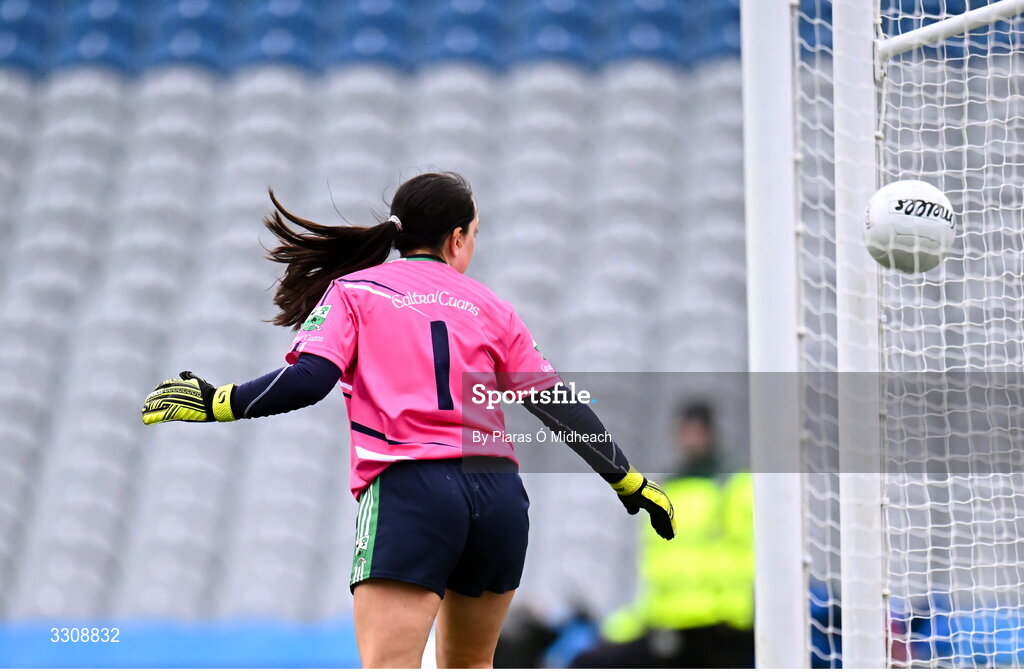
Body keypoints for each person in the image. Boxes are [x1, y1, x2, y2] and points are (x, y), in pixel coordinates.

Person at [139, 172, 676, 669]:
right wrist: (628, 481)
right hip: (498, 497)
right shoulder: (493, 307)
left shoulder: (357, 291)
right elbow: (558, 403)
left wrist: (217, 401)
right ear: (457, 238)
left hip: (413, 489)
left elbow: (308, 381)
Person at [570, 401, 755, 669]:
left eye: (696, 430)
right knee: (589, 661)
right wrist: (621, 626)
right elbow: (655, 573)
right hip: (669, 626)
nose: (689, 439)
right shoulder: (667, 490)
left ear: (710, 432)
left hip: (720, 628)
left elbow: (751, 555)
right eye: (684, 430)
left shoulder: (734, 486)